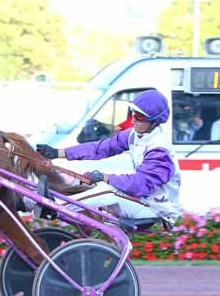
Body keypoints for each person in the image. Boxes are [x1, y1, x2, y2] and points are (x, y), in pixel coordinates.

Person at [36, 89, 182, 225]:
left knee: (107, 190)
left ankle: (54, 207)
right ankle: (49, 204)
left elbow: (139, 185)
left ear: (154, 121)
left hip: (156, 210)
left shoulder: (160, 150)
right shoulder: (135, 135)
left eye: (138, 116)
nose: (133, 120)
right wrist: (58, 153)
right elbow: (101, 148)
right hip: (142, 201)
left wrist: (104, 177)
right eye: (132, 113)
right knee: (87, 183)